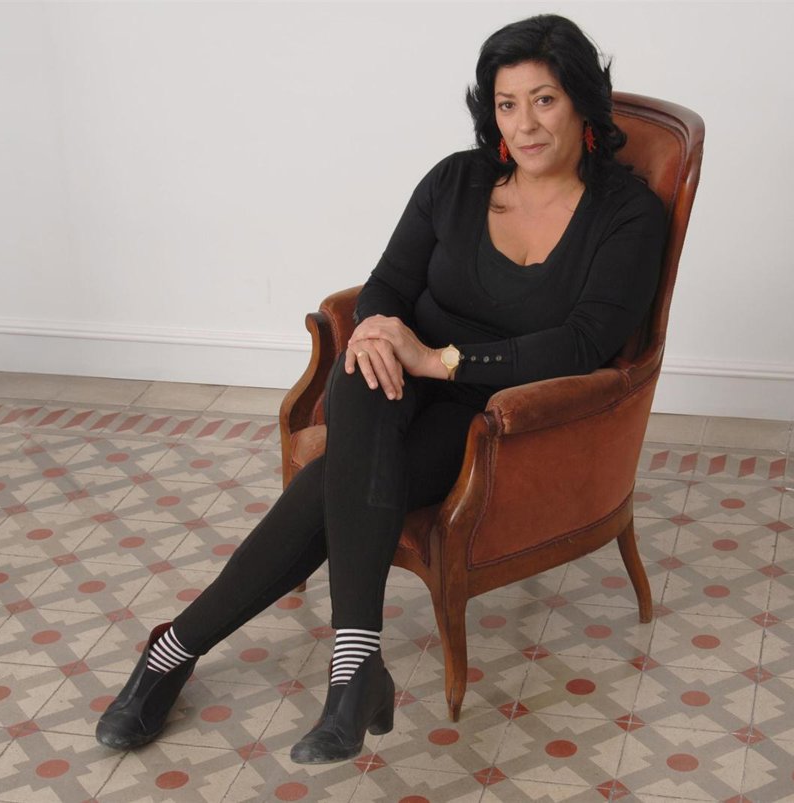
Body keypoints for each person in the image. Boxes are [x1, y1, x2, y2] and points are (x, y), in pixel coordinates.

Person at [95, 13, 666, 764]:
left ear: (583, 101)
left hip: (495, 417)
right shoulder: (456, 181)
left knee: (334, 479)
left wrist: (439, 359)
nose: (524, 125)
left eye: (544, 100)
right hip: (397, 382)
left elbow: (584, 343)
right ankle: (354, 668)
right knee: (364, 367)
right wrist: (375, 330)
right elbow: (388, 285)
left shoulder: (628, 214)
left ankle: (171, 650)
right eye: (507, 104)